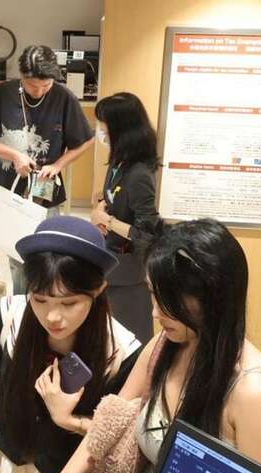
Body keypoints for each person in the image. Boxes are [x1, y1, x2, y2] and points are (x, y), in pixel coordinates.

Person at [22, 220, 261, 473]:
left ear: (216, 297)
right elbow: (111, 420)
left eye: (171, 303)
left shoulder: (251, 391)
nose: (157, 313)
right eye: (153, 295)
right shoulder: (164, 346)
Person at [0, 216, 141, 473]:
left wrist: (69, 421)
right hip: (7, 467)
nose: (53, 316)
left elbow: (122, 441)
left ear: (99, 289)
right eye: (40, 299)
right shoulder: (10, 316)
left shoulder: (121, 351)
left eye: (70, 303)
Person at [0, 45, 93, 207]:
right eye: (33, 86)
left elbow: (85, 141)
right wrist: (15, 156)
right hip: (8, 185)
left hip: (44, 184)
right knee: (9, 230)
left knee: (44, 226)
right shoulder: (1, 93)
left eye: (46, 85)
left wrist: (58, 165)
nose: (39, 92)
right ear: (22, 75)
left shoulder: (63, 97)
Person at [89, 92, 162, 343]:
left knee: (129, 345)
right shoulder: (119, 161)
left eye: (104, 125)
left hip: (128, 275)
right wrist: (99, 207)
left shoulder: (140, 174)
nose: (101, 130)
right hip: (110, 264)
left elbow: (147, 234)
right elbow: (111, 197)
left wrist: (106, 221)